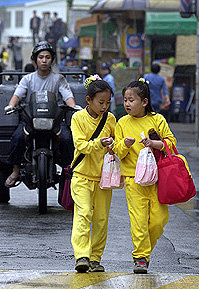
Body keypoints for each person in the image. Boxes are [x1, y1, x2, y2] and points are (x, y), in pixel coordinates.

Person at [113, 78, 176, 274]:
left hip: (158, 179)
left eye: (131, 100)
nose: (127, 104)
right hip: (133, 180)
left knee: (158, 220)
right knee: (138, 220)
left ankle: (144, 249)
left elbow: (172, 144)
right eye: (125, 100)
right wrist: (125, 144)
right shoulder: (122, 123)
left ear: (145, 102)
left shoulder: (157, 120)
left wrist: (154, 144)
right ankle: (140, 257)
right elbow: (117, 150)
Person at [4, 41, 77, 188]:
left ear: (52, 59)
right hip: (30, 120)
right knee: (17, 138)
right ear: (35, 60)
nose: (44, 60)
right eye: (41, 57)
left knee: (67, 140)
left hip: (54, 120)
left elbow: (67, 95)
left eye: (47, 57)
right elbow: (17, 95)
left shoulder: (59, 79)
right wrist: (11, 105)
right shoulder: (28, 79)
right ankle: (16, 170)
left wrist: (73, 106)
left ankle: (68, 172)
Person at [70, 75, 116, 273]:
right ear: (88, 100)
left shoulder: (111, 119)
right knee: (83, 214)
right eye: (100, 102)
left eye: (107, 102)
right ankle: (82, 256)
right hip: (81, 176)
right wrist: (100, 143)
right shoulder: (77, 118)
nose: (104, 106)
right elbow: (80, 145)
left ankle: (95, 258)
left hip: (104, 178)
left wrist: (116, 146)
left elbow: (117, 141)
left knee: (101, 219)